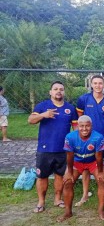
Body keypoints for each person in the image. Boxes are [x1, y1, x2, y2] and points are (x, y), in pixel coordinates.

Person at [28, 81, 78, 213]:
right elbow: (30, 120)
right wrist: (44, 115)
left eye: (61, 89)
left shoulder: (70, 108)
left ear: (64, 92)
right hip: (45, 149)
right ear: (50, 92)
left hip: (63, 149)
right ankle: (41, 202)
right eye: (55, 89)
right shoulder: (43, 106)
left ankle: (57, 199)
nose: (58, 91)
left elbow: (76, 128)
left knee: (60, 175)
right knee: (42, 176)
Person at [58, 115, 104, 222]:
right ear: (77, 126)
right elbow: (70, 156)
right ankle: (68, 212)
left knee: (102, 180)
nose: (84, 129)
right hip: (77, 161)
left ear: (92, 126)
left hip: (93, 162)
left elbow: (99, 157)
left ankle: (101, 210)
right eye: (81, 126)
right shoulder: (70, 137)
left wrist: (100, 172)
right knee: (67, 182)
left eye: (87, 126)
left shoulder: (98, 137)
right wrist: (69, 172)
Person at [75, 75, 104, 207]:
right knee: (85, 167)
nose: (98, 86)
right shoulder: (83, 99)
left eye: (100, 83)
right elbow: (80, 118)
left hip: (103, 139)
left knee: (103, 168)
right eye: (95, 83)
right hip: (86, 140)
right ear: (91, 85)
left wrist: (99, 125)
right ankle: (85, 195)